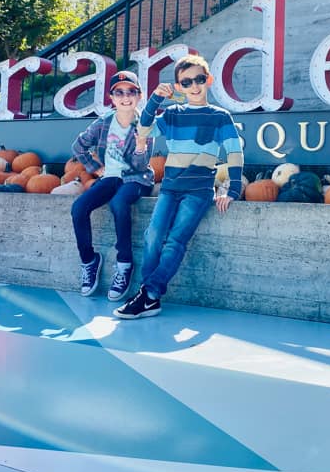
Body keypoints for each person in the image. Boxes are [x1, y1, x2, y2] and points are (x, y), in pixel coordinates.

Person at [113, 54, 243, 319]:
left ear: (209, 80)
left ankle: (147, 295)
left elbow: (234, 152)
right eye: (187, 82)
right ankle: (149, 297)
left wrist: (233, 189)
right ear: (179, 87)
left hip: (199, 191)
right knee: (153, 235)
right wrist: (155, 99)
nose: (194, 86)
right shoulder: (172, 114)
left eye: (199, 79)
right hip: (170, 187)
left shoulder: (220, 117)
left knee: (175, 241)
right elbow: (144, 130)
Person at [71, 71, 154, 302]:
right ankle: (89, 260)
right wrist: (95, 168)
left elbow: (141, 165)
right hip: (111, 176)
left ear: (139, 96)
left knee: (119, 203)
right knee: (79, 208)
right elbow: (78, 146)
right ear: (112, 97)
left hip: (137, 178)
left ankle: (124, 264)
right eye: (120, 92)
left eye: (131, 92)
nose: (125, 97)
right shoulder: (104, 122)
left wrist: (140, 145)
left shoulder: (145, 125)